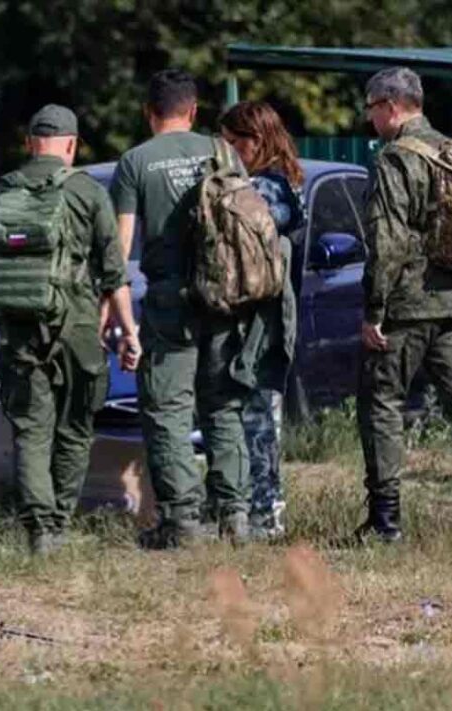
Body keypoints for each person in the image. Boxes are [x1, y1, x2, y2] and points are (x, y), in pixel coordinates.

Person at [0, 104, 140, 555]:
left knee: (30, 430)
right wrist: (130, 333)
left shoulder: (0, 193)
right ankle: (59, 522)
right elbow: (113, 275)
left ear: (30, 144)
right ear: (71, 145)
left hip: (21, 333)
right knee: (75, 428)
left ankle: (38, 530)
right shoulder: (88, 193)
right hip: (79, 330)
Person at [357, 67, 452, 545]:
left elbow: (388, 240)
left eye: (371, 108)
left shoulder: (395, 158)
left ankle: (386, 522)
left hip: (407, 306)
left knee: (382, 404)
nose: (370, 118)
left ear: (392, 106)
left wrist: (374, 310)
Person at [110, 69, 251, 548]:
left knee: (168, 410)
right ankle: (235, 518)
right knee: (223, 405)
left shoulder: (135, 163)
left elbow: (121, 249)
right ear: (193, 112)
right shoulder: (224, 153)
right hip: (228, 297)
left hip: (172, 301)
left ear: (149, 114)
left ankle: (182, 523)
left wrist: (118, 318)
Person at [219, 100, 305, 540]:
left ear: (256, 140)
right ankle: (254, 510)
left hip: (261, 323)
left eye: (234, 142)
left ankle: (265, 514)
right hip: (258, 320)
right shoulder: (275, 183)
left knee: (258, 420)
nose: (228, 150)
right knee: (253, 416)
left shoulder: (269, 190)